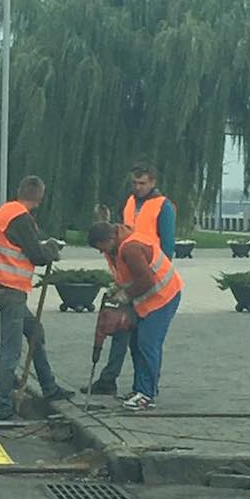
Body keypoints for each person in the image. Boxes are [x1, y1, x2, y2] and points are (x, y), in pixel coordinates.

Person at [82, 162, 177, 396]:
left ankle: (145, 390)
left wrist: (136, 285)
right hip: (132, 276)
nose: (138, 187)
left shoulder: (163, 206)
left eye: (142, 183)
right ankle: (118, 382)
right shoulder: (130, 203)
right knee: (123, 332)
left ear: (153, 182)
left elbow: (167, 245)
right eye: (134, 183)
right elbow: (118, 234)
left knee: (146, 341)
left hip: (148, 277)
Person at [0, 175, 75, 420]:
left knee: (35, 331)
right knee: (10, 352)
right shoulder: (20, 218)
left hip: (2, 287)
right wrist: (51, 252)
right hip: (11, 291)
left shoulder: (6, 212)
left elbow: (25, 244)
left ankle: (49, 387)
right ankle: (2, 408)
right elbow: (36, 255)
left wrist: (44, 246)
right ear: (40, 196)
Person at [88, 221, 183, 411]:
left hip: (163, 296)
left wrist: (126, 294)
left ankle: (147, 395)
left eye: (101, 247)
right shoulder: (115, 248)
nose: (101, 252)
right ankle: (139, 389)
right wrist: (119, 286)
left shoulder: (131, 248)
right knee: (137, 343)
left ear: (110, 239)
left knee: (148, 343)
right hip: (147, 299)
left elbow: (146, 280)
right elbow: (127, 274)